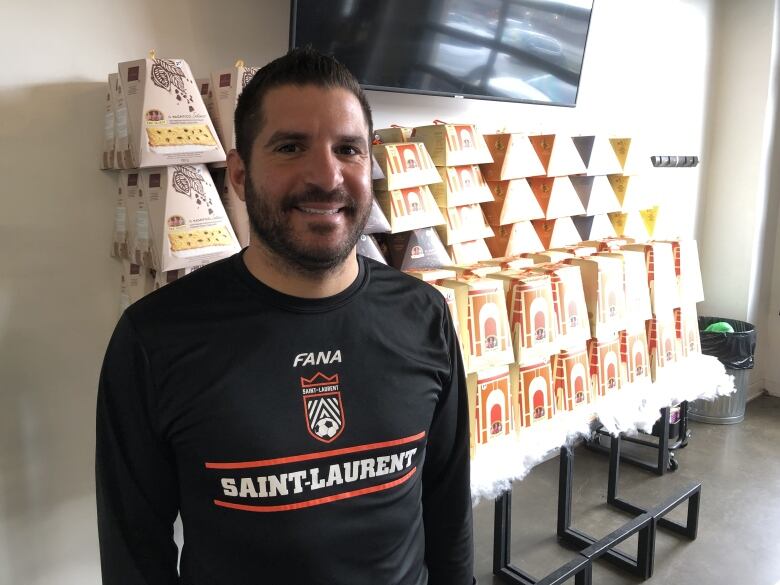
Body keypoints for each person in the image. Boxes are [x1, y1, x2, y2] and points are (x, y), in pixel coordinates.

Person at [96, 47, 474, 585]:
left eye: (349, 149)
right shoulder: (155, 337)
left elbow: (448, 508)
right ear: (239, 174)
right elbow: (134, 553)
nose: (326, 175)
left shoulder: (424, 314)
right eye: (291, 147)